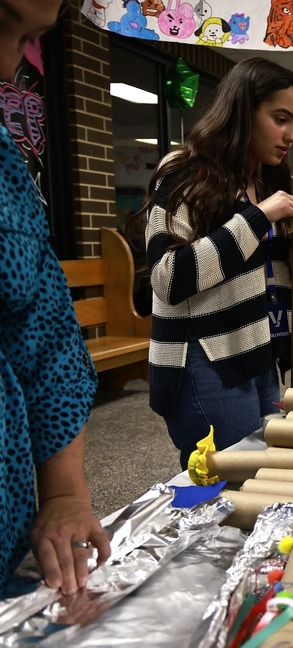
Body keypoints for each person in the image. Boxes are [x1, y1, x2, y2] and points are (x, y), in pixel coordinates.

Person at [142, 58, 293, 470]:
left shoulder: (266, 182)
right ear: (243, 111)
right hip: (203, 360)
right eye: (281, 119)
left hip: (257, 350)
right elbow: (168, 278)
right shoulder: (186, 172)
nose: (292, 136)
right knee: (226, 487)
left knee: (263, 474)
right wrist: (260, 217)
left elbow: (262, 276)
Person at [0, 0, 112, 597]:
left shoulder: (5, 164)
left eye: (29, 42)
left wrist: (66, 491)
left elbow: (45, 334)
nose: (8, 64)